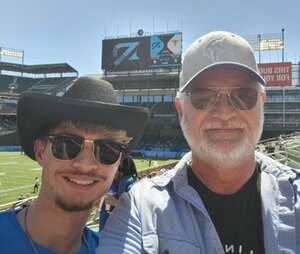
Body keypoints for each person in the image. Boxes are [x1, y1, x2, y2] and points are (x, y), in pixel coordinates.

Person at [97, 31, 300, 253]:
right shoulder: (139, 209)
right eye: (203, 98)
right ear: (180, 110)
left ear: (262, 103)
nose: (224, 113)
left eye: (244, 95)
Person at [0, 76, 149, 254]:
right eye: (67, 145)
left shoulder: (107, 250)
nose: (85, 165)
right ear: (40, 152)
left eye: (107, 150)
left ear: (118, 162)